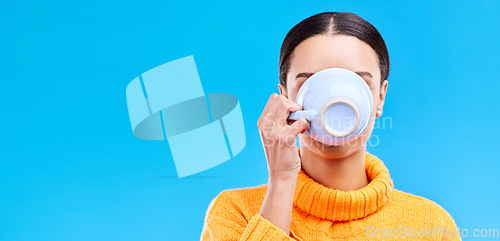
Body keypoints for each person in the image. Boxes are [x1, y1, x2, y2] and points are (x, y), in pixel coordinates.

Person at [201, 11, 460, 240]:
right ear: (285, 98)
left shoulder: (431, 226)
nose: (334, 100)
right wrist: (281, 181)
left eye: (358, 83)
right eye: (309, 83)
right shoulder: (235, 212)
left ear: (379, 97)